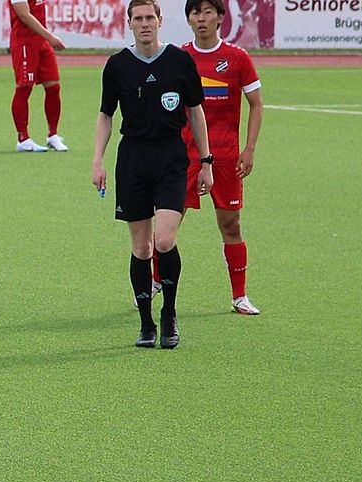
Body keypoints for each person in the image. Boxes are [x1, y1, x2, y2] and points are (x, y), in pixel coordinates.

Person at [92, 0, 214, 349]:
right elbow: (105, 115)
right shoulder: (117, 65)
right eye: (138, 18)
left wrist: (206, 161)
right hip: (133, 159)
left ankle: (169, 314)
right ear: (129, 23)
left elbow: (195, 111)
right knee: (141, 246)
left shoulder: (180, 61)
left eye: (150, 17)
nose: (144, 23)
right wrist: (97, 161)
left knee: (164, 241)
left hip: (171, 158)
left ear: (160, 21)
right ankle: (146, 323)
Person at [179, 0, 263, 315]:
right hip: (185, 157)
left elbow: (256, 103)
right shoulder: (179, 58)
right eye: (195, 12)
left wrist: (249, 149)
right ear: (189, 19)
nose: (201, 18)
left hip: (225, 158)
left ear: (220, 17)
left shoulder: (238, 58)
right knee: (168, 222)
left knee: (230, 224)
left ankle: (239, 295)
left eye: (207, 12)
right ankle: (155, 282)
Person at [7, 0, 70, 152]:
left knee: (53, 86)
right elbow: (24, 15)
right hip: (24, 42)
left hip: (41, 42)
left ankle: (53, 135)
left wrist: (45, 38)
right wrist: (50, 37)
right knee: (24, 87)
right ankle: (23, 139)